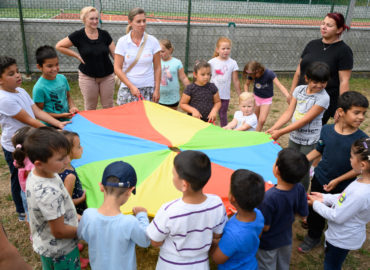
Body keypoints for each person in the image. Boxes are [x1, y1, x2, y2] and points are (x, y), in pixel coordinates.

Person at [298, 91, 368, 253]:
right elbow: (319, 150)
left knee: (340, 213)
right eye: (356, 112)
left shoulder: (363, 141)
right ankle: (313, 236)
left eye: (363, 113)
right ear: (341, 112)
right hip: (320, 178)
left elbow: (362, 167)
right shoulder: (326, 130)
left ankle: (334, 240)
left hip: (344, 185)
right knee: (316, 209)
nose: (361, 117)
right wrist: (302, 161)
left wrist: (338, 180)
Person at [0, 56, 68, 221]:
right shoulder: (4, 99)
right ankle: (22, 211)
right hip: (16, 147)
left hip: (30, 142)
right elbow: (30, 120)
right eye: (11, 74)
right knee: (19, 179)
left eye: (17, 71)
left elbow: (37, 113)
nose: (17, 75)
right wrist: (53, 132)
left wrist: (58, 125)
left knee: (33, 175)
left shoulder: (21, 91)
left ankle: (37, 204)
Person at [146, 150, 227, 269]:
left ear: (184, 184)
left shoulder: (169, 210)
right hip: (201, 265)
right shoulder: (217, 204)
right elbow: (217, 234)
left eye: (173, 174)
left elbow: (155, 241)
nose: (172, 177)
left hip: (171, 265)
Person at [308, 138, 370, 270]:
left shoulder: (362, 193)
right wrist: (325, 198)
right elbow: (345, 197)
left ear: (363, 165)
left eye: (352, 157)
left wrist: (316, 204)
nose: (350, 159)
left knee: (331, 265)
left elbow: (337, 216)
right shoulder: (362, 181)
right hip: (339, 234)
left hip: (342, 239)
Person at [267, 62, 330, 191]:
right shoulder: (299, 90)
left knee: (303, 169)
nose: (319, 85)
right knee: (290, 165)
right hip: (295, 137)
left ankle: (301, 195)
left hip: (310, 140)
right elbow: (289, 112)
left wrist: (281, 132)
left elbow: (305, 121)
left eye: (323, 82)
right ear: (307, 78)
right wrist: (275, 128)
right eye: (315, 81)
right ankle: (289, 189)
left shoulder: (323, 98)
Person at [24, 127, 81, 269]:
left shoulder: (41, 173)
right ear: (39, 163)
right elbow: (59, 231)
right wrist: (86, 230)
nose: (68, 160)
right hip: (61, 250)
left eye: (67, 155)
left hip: (46, 244)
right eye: (61, 159)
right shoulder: (48, 193)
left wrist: (77, 217)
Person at [78, 161, 150, 270]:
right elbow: (145, 241)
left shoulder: (88, 215)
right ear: (130, 191)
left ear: (101, 187)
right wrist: (142, 216)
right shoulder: (130, 222)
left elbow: (82, 235)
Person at [291, 12, 353, 124]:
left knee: (310, 129)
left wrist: (342, 107)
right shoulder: (311, 44)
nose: (323, 27)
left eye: (329, 25)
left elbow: (344, 81)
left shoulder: (344, 51)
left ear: (339, 30)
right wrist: (292, 94)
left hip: (322, 100)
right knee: (297, 126)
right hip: (302, 95)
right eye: (323, 23)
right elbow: (298, 72)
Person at [256, 148, 309, 270]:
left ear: (277, 170)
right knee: (283, 263)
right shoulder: (300, 188)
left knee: (266, 265)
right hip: (285, 237)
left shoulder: (267, 198)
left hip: (267, 243)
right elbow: (303, 212)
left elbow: (265, 227)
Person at [56, 6, 115, 110]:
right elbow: (59, 46)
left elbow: (115, 55)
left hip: (107, 76)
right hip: (87, 77)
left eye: (97, 18)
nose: (95, 21)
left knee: (108, 107)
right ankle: (91, 126)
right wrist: (77, 55)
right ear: (84, 19)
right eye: (91, 19)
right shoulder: (78, 35)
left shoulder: (105, 35)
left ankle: (108, 126)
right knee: (90, 107)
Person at [211, 169, 265, 269]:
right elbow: (258, 234)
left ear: (232, 198)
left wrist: (213, 244)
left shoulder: (233, 236)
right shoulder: (259, 214)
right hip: (251, 265)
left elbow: (217, 259)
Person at [114, 7, 161, 104]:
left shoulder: (153, 41)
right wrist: (131, 86)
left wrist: (157, 90)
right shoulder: (122, 42)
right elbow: (117, 68)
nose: (142, 24)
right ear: (130, 22)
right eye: (138, 21)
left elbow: (157, 68)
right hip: (128, 89)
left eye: (144, 21)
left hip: (149, 88)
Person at [33, 45, 78, 122]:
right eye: (49, 66)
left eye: (56, 64)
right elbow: (39, 113)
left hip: (67, 120)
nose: (54, 69)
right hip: (50, 126)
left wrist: (72, 107)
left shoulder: (62, 78)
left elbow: (68, 97)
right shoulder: (39, 88)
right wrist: (61, 115)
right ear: (39, 67)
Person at [243, 61, 290, 131]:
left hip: (266, 100)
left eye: (253, 75)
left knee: (262, 120)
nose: (252, 77)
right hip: (256, 98)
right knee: (255, 118)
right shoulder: (251, 75)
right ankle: (252, 132)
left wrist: (288, 95)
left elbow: (280, 85)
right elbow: (246, 85)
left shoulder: (269, 74)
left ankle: (256, 135)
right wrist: (247, 94)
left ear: (258, 70)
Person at [208, 37, 241, 127]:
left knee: (223, 115)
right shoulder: (211, 62)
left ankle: (224, 130)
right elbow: (206, 77)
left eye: (228, 48)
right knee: (210, 114)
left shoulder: (233, 63)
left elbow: (236, 80)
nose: (226, 51)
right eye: (223, 48)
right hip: (212, 94)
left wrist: (240, 95)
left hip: (224, 95)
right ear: (217, 50)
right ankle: (208, 130)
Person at [59, 131, 87, 215]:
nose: (82, 148)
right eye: (78, 146)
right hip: (74, 213)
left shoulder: (60, 167)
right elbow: (67, 203)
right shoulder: (70, 176)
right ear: (68, 151)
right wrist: (82, 198)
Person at [158, 39, 190, 109]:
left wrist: (190, 90)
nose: (160, 53)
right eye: (158, 51)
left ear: (170, 50)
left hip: (173, 97)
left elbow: (183, 77)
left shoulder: (177, 62)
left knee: (172, 118)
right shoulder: (155, 62)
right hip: (158, 97)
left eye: (163, 51)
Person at [12, 126, 35, 223]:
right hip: (33, 193)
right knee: (34, 216)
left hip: (24, 191)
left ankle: (31, 234)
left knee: (28, 214)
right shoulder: (32, 163)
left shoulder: (20, 158)